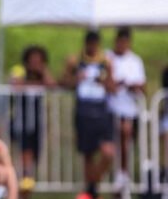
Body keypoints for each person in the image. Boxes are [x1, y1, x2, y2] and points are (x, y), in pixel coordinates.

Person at [61, 30, 115, 199]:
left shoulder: (106, 62)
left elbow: (112, 87)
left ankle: (92, 186)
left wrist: (104, 81)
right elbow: (63, 82)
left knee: (107, 152)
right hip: (84, 109)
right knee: (88, 153)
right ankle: (91, 192)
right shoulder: (75, 61)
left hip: (101, 110)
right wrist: (77, 78)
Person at [9, 45, 56, 197]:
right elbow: (16, 85)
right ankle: (24, 185)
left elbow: (52, 84)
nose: (35, 63)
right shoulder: (19, 71)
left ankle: (26, 184)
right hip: (22, 120)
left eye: (39, 60)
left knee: (34, 154)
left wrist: (42, 71)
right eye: (33, 60)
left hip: (37, 121)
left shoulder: (41, 74)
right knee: (25, 152)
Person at [105, 27, 146, 192]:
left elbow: (143, 86)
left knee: (125, 134)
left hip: (129, 109)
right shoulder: (107, 58)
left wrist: (131, 86)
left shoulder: (135, 61)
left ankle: (123, 173)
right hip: (109, 109)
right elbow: (107, 83)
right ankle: (115, 175)